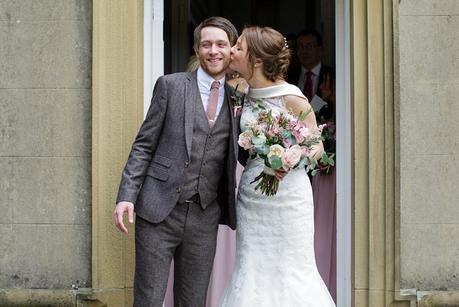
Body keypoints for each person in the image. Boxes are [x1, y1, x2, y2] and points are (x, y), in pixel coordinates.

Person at [113, 16, 238, 307]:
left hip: (204, 216)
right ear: (197, 49)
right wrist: (126, 196)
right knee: (148, 299)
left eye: (221, 44)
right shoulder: (170, 86)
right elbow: (144, 145)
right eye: (206, 44)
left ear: (232, 50)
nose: (213, 51)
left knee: (193, 301)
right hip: (158, 211)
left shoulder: (239, 99)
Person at [220, 26, 335, 306]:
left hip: (289, 197)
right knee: (251, 266)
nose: (231, 51)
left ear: (256, 59)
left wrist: (290, 157)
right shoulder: (239, 92)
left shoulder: (292, 96)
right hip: (253, 197)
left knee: (292, 268)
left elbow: (317, 147)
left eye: (238, 47)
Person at [287, 29, 335, 120]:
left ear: (320, 50)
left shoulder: (332, 76)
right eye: (301, 47)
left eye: (309, 46)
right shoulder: (289, 77)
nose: (305, 51)